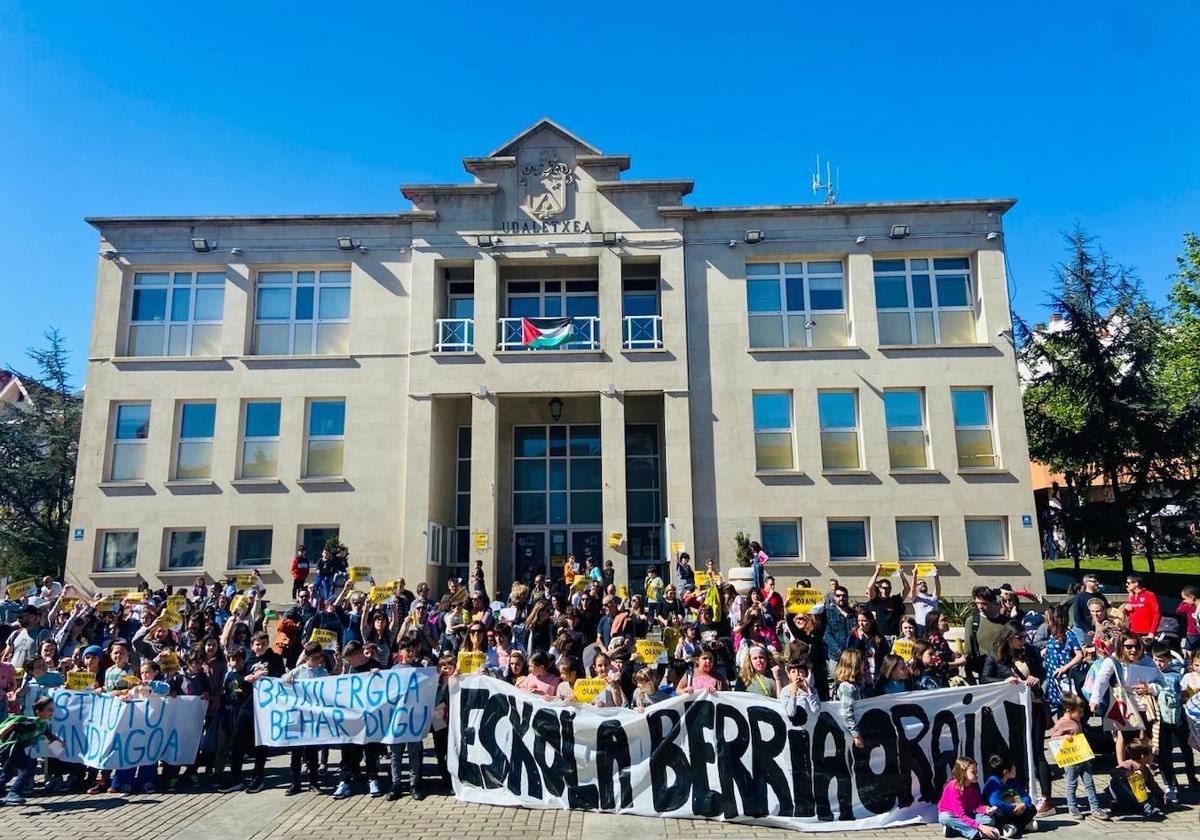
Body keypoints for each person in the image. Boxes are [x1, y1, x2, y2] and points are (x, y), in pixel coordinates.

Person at [980, 623, 1053, 815]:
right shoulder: (996, 655)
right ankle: (1018, 790)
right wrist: (1002, 682)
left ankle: (1046, 796)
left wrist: (1037, 678)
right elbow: (984, 678)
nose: (1023, 641)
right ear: (1009, 638)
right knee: (1016, 750)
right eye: (1019, 638)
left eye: (1024, 637)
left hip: (1034, 704)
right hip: (1010, 708)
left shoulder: (1031, 651)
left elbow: (1042, 672)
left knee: (1037, 751)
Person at [1143, 642, 1197, 800]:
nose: (1159, 664)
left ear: (1169, 659)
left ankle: (1191, 777)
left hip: (1180, 718)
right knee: (1165, 753)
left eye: (1162, 660)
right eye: (1155, 660)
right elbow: (1152, 689)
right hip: (1161, 721)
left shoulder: (1177, 675)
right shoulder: (1152, 676)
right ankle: (1170, 784)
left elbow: (1185, 693)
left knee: (1186, 749)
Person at [1051, 695, 1110, 819]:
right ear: (1068, 710)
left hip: (1082, 756)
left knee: (1089, 783)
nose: (1082, 715)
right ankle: (1072, 807)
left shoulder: (1076, 720)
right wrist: (1064, 737)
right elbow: (1053, 738)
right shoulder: (1062, 723)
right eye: (1079, 712)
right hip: (1071, 759)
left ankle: (1095, 807)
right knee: (1072, 783)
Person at [0, 695, 59, 805]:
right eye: (49, 710)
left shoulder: (42, 725)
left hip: (18, 749)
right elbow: (14, 726)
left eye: (53, 710)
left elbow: (49, 736)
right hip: (11, 749)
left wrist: (60, 743)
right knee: (29, 766)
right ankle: (13, 793)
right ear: (39, 711)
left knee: (8, 772)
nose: (51, 712)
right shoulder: (32, 723)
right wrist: (2, 734)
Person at [386, 637, 425, 800]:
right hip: (397, 717)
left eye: (412, 650)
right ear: (400, 651)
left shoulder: (421, 669)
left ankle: (413, 784)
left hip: (415, 718)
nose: (410, 653)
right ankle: (396, 784)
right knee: (396, 753)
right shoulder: (394, 670)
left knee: (415, 752)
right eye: (407, 650)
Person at [938, 757, 999, 839]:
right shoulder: (953, 787)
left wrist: (986, 809)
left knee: (989, 820)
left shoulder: (974, 786)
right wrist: (980, 827)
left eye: (976, 772)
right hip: (953, 815)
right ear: (963, 773)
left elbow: (976, 806)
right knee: (944, 818)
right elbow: (960, 814)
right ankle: (975, 833)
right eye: (973, 772)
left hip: (967, 814)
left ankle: (952, 830)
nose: (976, 775)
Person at [981, 754, 1038, 837]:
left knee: (1032, 808)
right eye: (1013, 767)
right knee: (998, 813)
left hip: (1014, 810)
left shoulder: (1011, 781)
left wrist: (1023, 805)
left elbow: (1023, 794)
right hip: (1002, 811)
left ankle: (1017, 826)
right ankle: (1008, 827)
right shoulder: (993, 782)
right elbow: (994, 802)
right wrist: (1012, 807)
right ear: (1006, 772)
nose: (1015, 768)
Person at [1106, 741, 1166, 819]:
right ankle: (1147, 809)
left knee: (1151, 797)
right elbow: (1113, 772)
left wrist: (1162, 795)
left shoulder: (1146, 770)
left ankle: (1125, 807)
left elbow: (1153, 786)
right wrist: (1127, 773)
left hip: (1138, 796)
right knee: (1115, 782)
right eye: (1151, 754)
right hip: (1125, 793)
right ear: (1143, 756)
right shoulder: (1129, 764)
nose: (1153, 756)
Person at [1042, 605, 1084, 716]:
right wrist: (1047, 650)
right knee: (1057, 705)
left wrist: (1065, 668)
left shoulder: (1069, 634)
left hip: (1064, 676)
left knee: (1069, 705)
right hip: (1052, 675)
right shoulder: (1052, 635)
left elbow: (1079, 655)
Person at [968, 587, 1008, 683]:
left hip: (1005, 669)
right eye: (977, 603)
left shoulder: (1006, 622)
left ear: (993, 602)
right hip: (985, 671)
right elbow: (968, 652)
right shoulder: (972, 621)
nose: (980, 606)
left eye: (984, 603)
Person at [832, 649, 868, 750]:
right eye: (861, 662)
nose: (863, 665)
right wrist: (856, 735)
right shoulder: (847, 687)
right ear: (854, 665)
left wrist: (868, 682)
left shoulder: (856, 684)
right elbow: (847, 713)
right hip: (850, 734)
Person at [864, 565, 906, 639]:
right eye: (884, 588)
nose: (886, 590)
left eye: (888, 588)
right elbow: (870, 588)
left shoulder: (895, 599)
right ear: (879, 589)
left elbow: (907, 589)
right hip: (880, 637)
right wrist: (877, 572)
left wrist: (901, 575)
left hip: (894, 636)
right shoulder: (876, 600)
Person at [1121, 575, 1160, 640]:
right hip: (1132, 632)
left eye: (1128, 583)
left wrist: (1152, 632)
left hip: (1146, 633)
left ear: (1136, 583)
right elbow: (1128, 615)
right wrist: (1126, 608)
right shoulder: (1131, 596)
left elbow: (1156, 614)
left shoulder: (1150, 595)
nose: (1126, 584)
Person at [905, 565, 941, 634]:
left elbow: (938, 589)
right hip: (921, 628)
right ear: (916, 587)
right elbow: (912, 591)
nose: (923, 584)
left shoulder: (933, 598)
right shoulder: (916, 598)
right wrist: (914, 575)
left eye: (924, 583)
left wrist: (935, 575)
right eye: (919, 584)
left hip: (933, 628)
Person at [1070, 575, 1107, 640]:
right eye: (1094, 581)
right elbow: (1077, 617)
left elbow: (1107, 612)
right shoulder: (1080, 597)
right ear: (1086, 583)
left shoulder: (1101, 596)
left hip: (1100, 630)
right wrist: (1086, 630)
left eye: (1097, 581)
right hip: (1085, 632)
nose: (1097, 583)